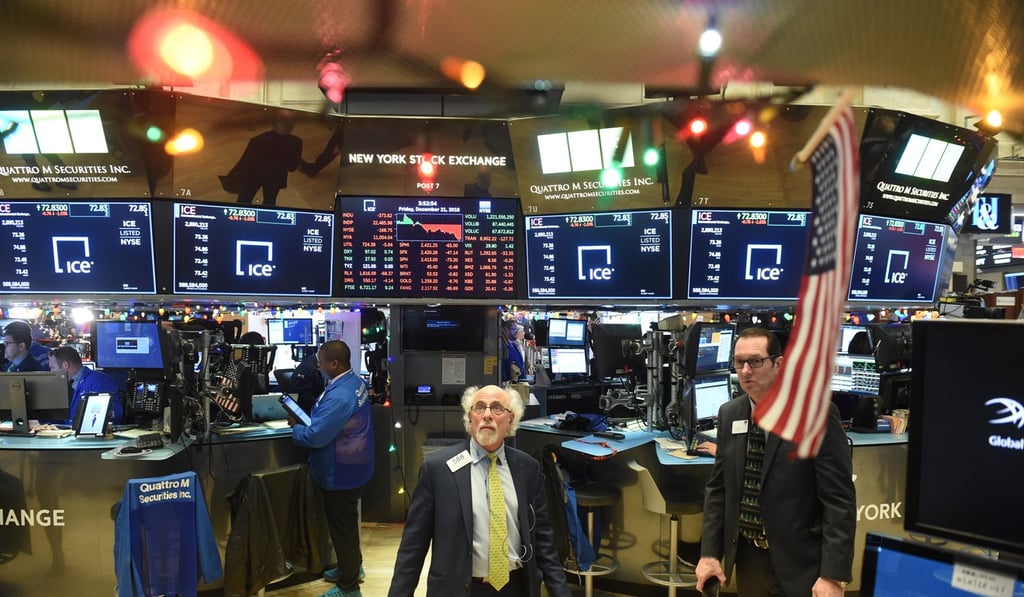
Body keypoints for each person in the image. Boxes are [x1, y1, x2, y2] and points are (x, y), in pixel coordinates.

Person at [696, 327, 856, 597]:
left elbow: (839, 500)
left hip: (801, 564)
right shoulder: (730, 413)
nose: (746, 371)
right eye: (739, 362)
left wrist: (833, 573)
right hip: (750, 560)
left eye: (756, 361)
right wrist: (710, 553)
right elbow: (719, 489)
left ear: (778, 364)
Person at [388, 384, 571, 597]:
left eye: (496, 408)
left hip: (516, 587)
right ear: (469, 418)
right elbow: (413, 547)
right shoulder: (438, 469)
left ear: (511, 419)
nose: (486, 415)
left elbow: (544, 543)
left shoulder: (528, 469)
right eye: (479, 408)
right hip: (458, 589)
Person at [289, 340, 373, 597]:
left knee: (343, 528)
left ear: (334, 364)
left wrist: (297, 428)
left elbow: (316, 436)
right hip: (355, 464)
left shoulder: (340, 395)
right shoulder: (353, 382)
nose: (319, 366)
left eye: (322, 361)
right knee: (346, 524)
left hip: (341, 471)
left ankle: (349, 587)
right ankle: (352, 567)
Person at [226, 110, 303, 206]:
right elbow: (292, 167)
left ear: (273, 123)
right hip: (275, 178)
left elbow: (245, 161)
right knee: (270, 201)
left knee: (245, 198)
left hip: (253, 176)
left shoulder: (258, 140)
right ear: (292, 125)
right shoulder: (296, 142)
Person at [49, 345, 123, 425]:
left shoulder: (99, 381)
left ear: (65, 365)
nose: (51, 372)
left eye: (53, 368)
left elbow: (111, 415)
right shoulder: (68, 385)